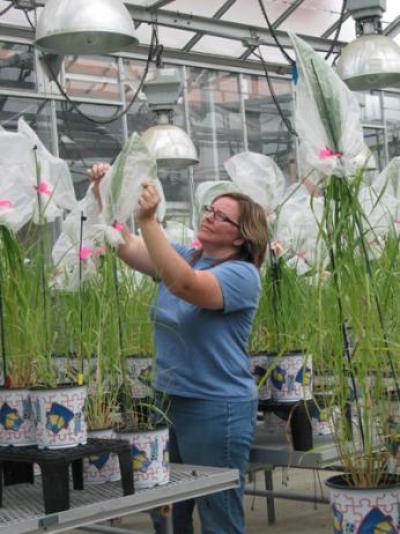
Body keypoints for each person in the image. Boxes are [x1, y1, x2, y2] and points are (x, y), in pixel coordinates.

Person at [89, 163, 269, 534]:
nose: (209, 217)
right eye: (209, 209)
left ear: (240, 237)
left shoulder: (242, 276)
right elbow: (127, 245)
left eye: (222, 216)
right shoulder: (187, 256)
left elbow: (185, 285)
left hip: (216, 408)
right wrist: (107, 192)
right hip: (168, 401)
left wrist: (150, 221)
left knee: (217, 511)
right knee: (166, 508)